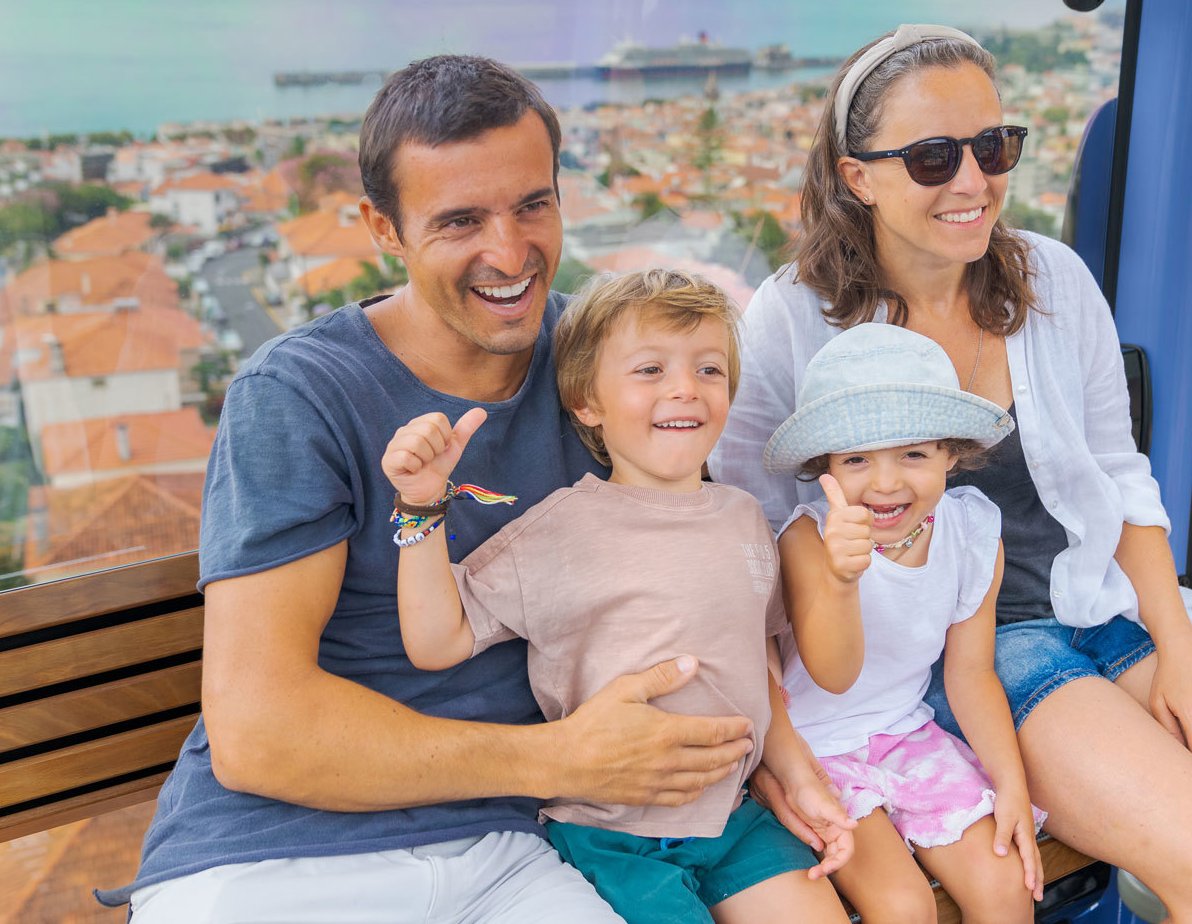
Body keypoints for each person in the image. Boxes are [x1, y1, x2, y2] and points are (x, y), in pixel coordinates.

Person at [711, 25, 1192, 924]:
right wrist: (787, 751)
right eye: (933, 158)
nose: (973, 181)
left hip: (1108, 604)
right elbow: (753, 544)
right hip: (968, 654)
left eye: (993, 147)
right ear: (858, 175)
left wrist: (1181, 649)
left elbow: (1120, 475)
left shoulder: (1052, 278)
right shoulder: (789, 320)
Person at [106, 56, 782, 923]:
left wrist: (780, 763)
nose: (509, 253)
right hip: (280, 850)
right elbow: (258, 732)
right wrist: (561, 761)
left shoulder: (614, 368)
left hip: (518, 847)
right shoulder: (301, 396)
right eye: (460, 219)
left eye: (533, 204)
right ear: (383, 229)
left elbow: (711, 578)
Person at [383, 268, 855, 924]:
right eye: (650, 370)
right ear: (588, 403)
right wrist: (421, 507)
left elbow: (759, 664)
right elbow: (438, 640)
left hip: (733, 819)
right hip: (612, 832)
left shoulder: (745, 517)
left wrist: (796, 776)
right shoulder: (563, 527)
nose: (685, 388)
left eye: (709, 370)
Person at [768, 322, 1046, 924]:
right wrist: (843, 579)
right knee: (904, 908)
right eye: (858, 459)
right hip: (814, 749)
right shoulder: (806, 540)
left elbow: (970, 676)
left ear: (951, 452)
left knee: (1006, 890)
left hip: (904, 734)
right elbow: (834, 675)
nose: (887, 482)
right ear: (827, 468)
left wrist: (1013, 784)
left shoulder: (973, 533)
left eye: (914, 454)